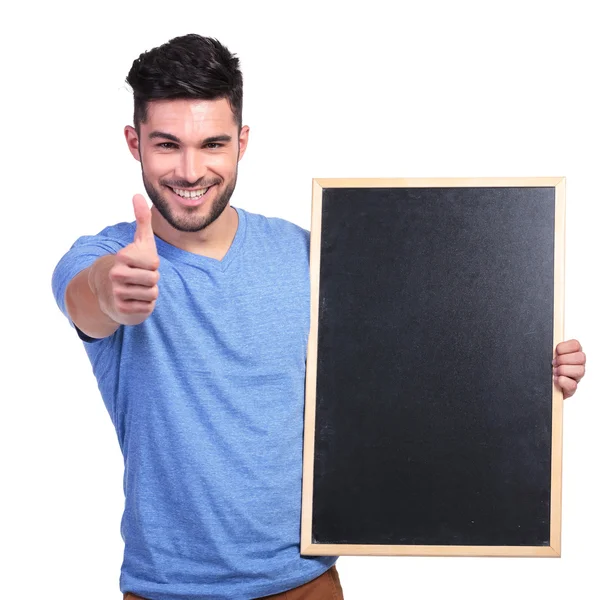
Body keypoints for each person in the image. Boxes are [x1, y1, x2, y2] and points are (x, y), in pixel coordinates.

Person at [51, 34, 586, 600]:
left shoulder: (314, 256)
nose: (190, 170)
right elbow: (90, 299)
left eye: (212, 143)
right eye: (167, 145)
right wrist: (113, 294)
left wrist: (528, 378)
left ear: (242, 141)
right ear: (134, 143)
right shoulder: (102, 260)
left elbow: (412, 372)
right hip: (166, 588)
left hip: (305, 583)